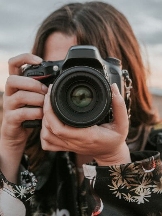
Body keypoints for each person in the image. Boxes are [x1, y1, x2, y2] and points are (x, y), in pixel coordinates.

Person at [0, 1, 162, 216]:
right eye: (62, 73)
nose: (77, 91)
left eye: (97, 73)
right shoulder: (32, 159)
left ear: (127, 80)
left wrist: (114, 160)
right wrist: (10, 149)